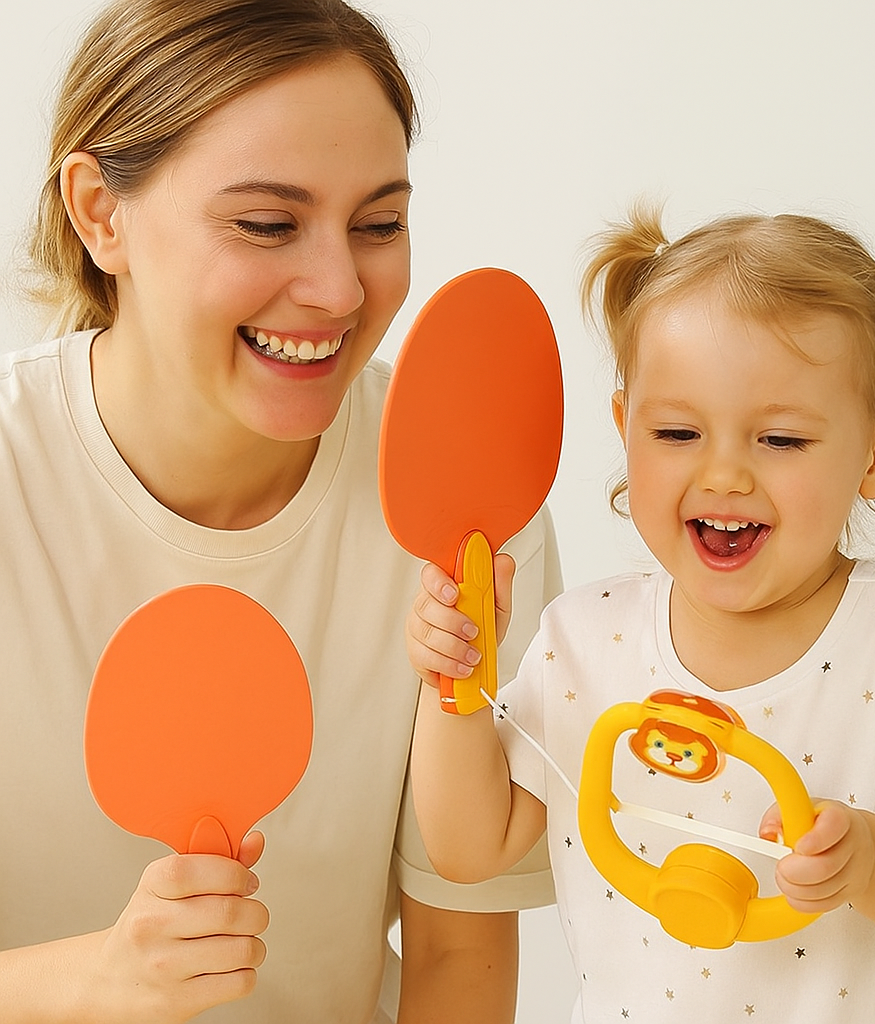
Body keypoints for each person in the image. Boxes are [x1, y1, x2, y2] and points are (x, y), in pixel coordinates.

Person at [0, 1, 561, 1021]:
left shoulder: (467, 501)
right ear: (100, 212)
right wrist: (96, 980)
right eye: (267, 223)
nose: (341, 287)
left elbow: (458, 951)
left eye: (380, 224)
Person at [407, 207, 875, 1022]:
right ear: (625, 425)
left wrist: (871, 858)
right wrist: (453, 682)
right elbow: (466, 848)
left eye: (780, 440)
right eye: (677, 431)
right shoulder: (586, 638)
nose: (724, 474)